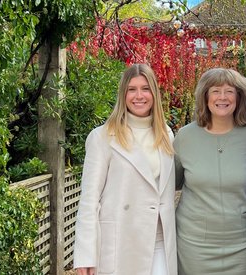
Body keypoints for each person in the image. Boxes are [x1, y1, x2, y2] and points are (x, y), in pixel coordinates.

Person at [73, 64, 177, 275]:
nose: (139, 96)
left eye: (145, 88)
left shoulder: (166, 134)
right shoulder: (102, 137)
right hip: (121, 241)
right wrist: (85, 255)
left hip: (160, 240)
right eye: (132, 89)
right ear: (123, 94)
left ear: (154, 93)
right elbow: (89, 200)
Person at [174, 68, 246, 275]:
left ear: (239, 97)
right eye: (215, 91)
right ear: (205, 96)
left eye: (229, 91)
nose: (222, 97)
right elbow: (171, 184)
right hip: (193, 245)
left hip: (243, 244)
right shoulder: (184, 137)